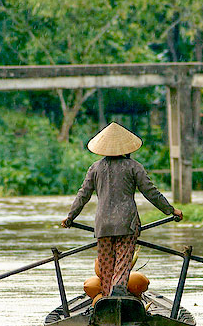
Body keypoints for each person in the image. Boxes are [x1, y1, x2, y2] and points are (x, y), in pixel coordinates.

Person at [62, 122, 183, 297]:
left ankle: (106, 297)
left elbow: (83, 195)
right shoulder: (133, 166)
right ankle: (118, 290)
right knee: (122, 264)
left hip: (103, 225)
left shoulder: (95, 168)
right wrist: (171, 210)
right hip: (127, 224)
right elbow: (151, 192)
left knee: (105, 268)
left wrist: (70, 217)